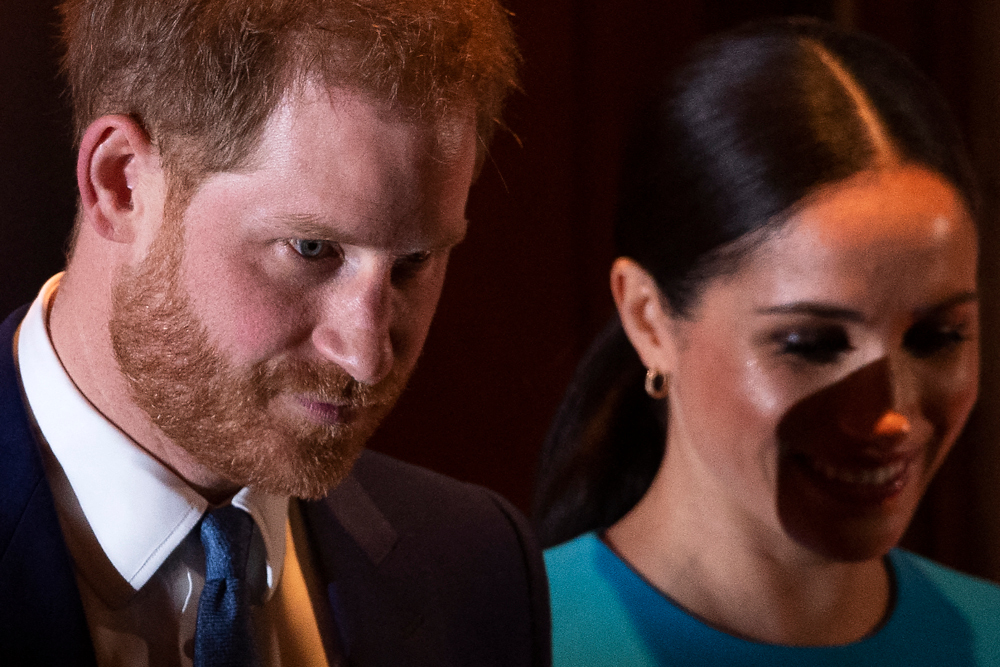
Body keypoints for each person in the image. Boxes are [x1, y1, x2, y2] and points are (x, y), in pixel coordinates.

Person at [0, 1, 551, 665]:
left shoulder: (477, 567)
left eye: (416, 262)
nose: (367, 355)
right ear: (120, 182)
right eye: (311, 246)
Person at [535, 17, 1000, 666]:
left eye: (939, 336)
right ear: (648, 319)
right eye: (811, 343)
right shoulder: (496, 641)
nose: (891, 414)